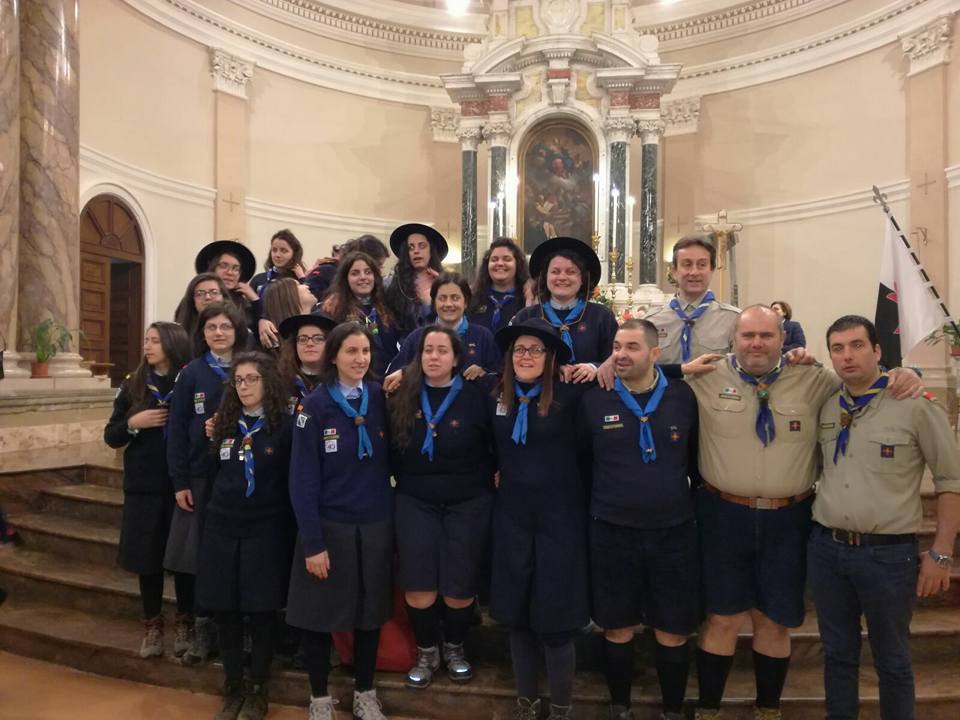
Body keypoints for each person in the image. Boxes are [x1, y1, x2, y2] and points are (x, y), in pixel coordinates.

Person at [685, 305, 922, 720]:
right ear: (733, 340)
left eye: (766, 335)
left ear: (784, 338)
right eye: (747, 336)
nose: (756, 343)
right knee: (722, 619)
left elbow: (863, 381)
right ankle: (708, 710)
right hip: (722, 516)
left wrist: (906, 373)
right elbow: (647, 376)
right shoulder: (704, 377)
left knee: (774, 621)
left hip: (788, 520)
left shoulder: (815, 380)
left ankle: (768, 710)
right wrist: (612, 364)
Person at [809, 315, 960, 720]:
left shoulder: (915, 405)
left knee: (892, 660)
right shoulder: (827, 405)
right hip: (828, 550)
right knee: (837, 655)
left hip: (887, 556)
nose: (847, 356)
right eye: (838, 348)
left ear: (877, 351)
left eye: (857, 345)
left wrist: (941, 552)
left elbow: (951, 481)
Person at [579, 319, 701, 720]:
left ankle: (672, 710)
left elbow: (695, 460)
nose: (621, 354)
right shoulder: (595, 399)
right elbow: (582, 462)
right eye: (617, 346)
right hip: (612, 530)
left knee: (673, 629)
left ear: (655, 353)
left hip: (673, 532)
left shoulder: (682, 397)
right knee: (616, 627)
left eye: (632, 347)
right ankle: (620, 707)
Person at [286, 323, 394, 720]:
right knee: (319, 617)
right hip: (329, 528)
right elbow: (302, 479)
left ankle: (365, 692)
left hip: (374, 525)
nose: (360, 359)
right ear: (333, 356)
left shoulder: (379, 397)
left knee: (369, 616)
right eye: (351, 351)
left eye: (365, 351)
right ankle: (319, 697)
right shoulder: (314, 407)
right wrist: (313, 542)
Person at [488, 318, 589, 720]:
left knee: (556, 620)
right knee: (518, 619)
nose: (526, 356)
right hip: (512, 520)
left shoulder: (571, 395)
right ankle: (526, 703)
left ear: (550, 358)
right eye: (519, 350)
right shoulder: (495, 396)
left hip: (559, 522)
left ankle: (561, 707)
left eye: (535, 350)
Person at [387, 326, 496, 689]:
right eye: (427, 350)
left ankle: (454, 648)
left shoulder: (478, 394)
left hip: (469, 501)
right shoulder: (402, 393)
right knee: (419, 584)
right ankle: (426, 651)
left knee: (458, 586)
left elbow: (494, 445)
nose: (434, 357)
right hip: (415, 500)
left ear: (456, 357)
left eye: (442, 350)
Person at [199, 352, 294, 720]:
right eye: (238, 380)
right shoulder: (222, 423)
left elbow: (290, 481)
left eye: (252, 379)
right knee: (226, 610)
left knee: (260, 610)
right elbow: (211, 472)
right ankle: (233, 684)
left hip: (265, 528)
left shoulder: (284, 426)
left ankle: (257, 688)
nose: (244, 386)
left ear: (267, 382)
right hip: (223, 526)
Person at [166, 301, 250, 667]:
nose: (219, 333)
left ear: (237, 331)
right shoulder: (192, 374)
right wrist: (180, 480)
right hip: (200, 477)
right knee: (200, 555)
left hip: (240, 475)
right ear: (202, 333)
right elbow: (176, 431)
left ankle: (241, 629)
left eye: (226, 326)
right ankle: (203, 628)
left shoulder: (251, 369)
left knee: (238, 554)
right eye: (212, 327)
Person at [103, 321, 195, 659]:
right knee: (148, 559)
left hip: (180, 485)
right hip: (144, 485)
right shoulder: (134, 383)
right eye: (146, 340)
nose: (148, 346)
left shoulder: (188, 380)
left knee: (184, 559)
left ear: (172, 343)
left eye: (155, 340)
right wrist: (133, 423)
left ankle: (186, 622)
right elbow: (111, 435)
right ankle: (153, 625)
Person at [509, 236, 617, 387]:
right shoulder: (526, 316)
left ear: (582, 279)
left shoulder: (602, 316)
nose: (562, 277)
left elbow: (615, 358)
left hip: (591, 392)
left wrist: (595, 367)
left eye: (571, 272)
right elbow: (511, 361)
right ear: (545, 277)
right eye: (555, 271)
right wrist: (552, 368)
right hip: (541, 395)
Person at [384, 272, 500, 392]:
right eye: (442, 298)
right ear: (434, 303)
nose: (448, 304)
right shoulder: (417, 338)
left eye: (455, 298)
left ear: (465, 302)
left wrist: (484, 373)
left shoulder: (483, 336)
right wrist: (406, 373)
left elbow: (500, 377)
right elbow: (392, 377)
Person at [645, 235, 740, 363]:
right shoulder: (652, 321)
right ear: (674, 271)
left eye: (702, 265)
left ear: (711, 270)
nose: (694, 272)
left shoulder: (733, 320)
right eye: (687, 264)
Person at [321, 251, 401, 378]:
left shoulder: (388, 306)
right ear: (345, 279)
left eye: (368, 272)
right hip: (352, 379)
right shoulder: (333, 310)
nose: (363, 277)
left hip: (387, 379)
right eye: (355, 273)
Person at [384, 223, 446, 336]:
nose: (416, 251)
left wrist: (443, 287)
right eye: (411, 247)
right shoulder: (394, 284)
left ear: (431, 250)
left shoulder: (445, 282)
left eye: (422, 246)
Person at [252, 229, 309, 348]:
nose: (277, 255)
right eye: (274, 250)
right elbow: (250, 311)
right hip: (261, 340)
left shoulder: (300, 280)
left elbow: (308, 306)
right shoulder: (259, 280)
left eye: (284, 251)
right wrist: (260, 320)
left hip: (291, 339)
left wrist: (302, 279)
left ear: (294, 254)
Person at [467, 238, 534, 334]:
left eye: (507, 259)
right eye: (494, 260)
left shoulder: (528, 298)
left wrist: (530, 304)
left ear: (517, 264)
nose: (500, 263)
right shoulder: (473, 298)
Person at [195, 240, 259, 330]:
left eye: (235, 269)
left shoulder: (244, 305)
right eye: (223, 266)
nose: (230, 273)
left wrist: (255, 300)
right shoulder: (199, 298)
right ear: (212, 269)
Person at [278, 313, 338, 408]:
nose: (309, 343)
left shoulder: (341, 381)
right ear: (294, 345)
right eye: (303, 339)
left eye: (318, 338)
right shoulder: (280, 382)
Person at [261, 278, 323, 350]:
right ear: (287, 296)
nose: (307, 286)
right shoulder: (279, 343)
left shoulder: (324, 319)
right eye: (298, 285)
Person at [174, 273, 231, 339]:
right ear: (193, 301)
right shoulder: (181, 333)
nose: (207, 297)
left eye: (214, 292)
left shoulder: (237, 326)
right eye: (200, 294)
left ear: (223, 296)